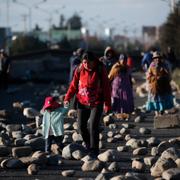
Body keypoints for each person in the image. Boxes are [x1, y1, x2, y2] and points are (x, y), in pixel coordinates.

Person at [64, 51, 111, 158]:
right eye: (84, 62)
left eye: (88, 62)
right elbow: (73, 85)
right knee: (81, 126)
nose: (86, 65)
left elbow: (106, 88)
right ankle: (88, 145)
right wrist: (67, 97)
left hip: (97, 102)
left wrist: (108, 104)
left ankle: (94, 150)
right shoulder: (79, 69)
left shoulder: (100, 69)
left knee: (93, 126)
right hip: (82, 101)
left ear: (94, 62)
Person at [146, 51, 174, 117]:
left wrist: (163, 77)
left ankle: (161, 113)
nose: (157, 59)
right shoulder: (152, 65)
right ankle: (157, 114)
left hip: (163, 85)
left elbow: (169, 75)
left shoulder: (164, 65)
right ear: (154, 59)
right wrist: (154, 78)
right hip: (154, 86)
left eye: (159, 58)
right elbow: (148, 75)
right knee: (155, 100)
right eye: (156, 58)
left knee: (163, 100)